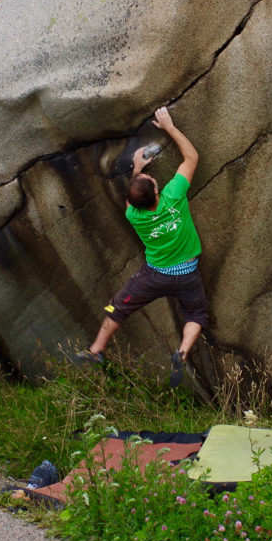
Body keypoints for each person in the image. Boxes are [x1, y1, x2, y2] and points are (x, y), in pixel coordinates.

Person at [79, 106, 208, 388]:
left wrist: (136, 169)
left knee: (118, 308)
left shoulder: (133, 215)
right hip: (187, 273)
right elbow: (192, 157)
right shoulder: (173, 195)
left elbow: (130, 199)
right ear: (158, 191)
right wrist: (169, 126)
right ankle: (182, 352)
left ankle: (96, 350)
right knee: (196, 314)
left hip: (154, 276)